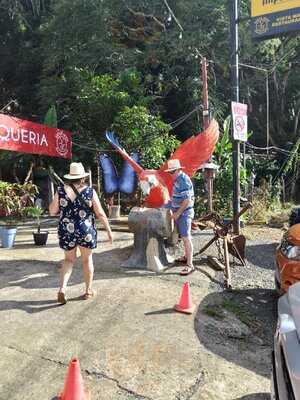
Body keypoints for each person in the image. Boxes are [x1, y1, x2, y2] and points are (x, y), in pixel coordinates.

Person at [49, 162, 113, 304]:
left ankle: (63, 289)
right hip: (86, 230)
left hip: (66, 230)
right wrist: (109, 230)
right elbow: (100, 213)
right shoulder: (90, 191)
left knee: (68, 260)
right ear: (83, 178)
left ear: (70, 177)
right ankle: (88, 291)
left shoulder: (60, 191)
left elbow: (52, 211)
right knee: (87, 260)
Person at [164, 159, 195, 275]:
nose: (171, 174)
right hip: (179, 211)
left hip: (184, 212)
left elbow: (187, 200)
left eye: (173, 172)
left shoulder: (183, 180)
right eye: (170, 172)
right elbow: (177, 197)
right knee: (183, 236)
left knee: (186, 237)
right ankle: (186, 257)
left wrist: (177, 213)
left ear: (179, 170)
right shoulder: (177, 179)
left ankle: (190, 265)